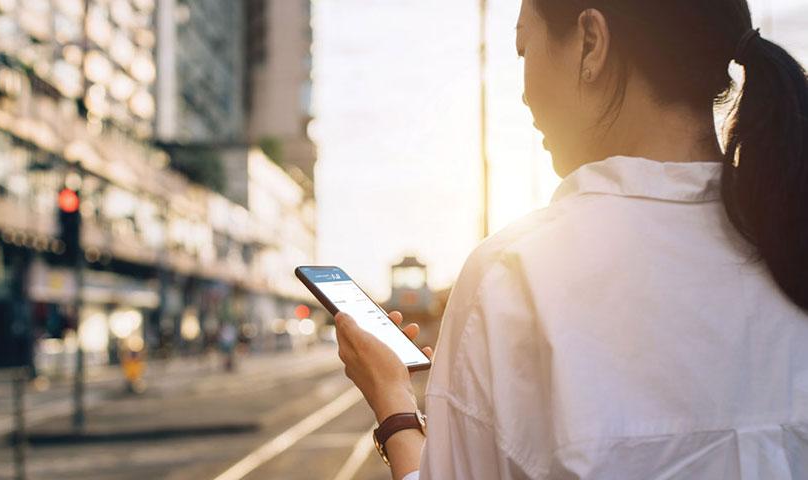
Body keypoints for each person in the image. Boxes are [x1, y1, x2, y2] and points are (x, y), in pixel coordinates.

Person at [333, 0, 808, 478]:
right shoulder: (790, 244)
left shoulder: (514, 278)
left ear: (590, 43)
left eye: (524, 50)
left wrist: (392, 401)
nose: (523, 95)